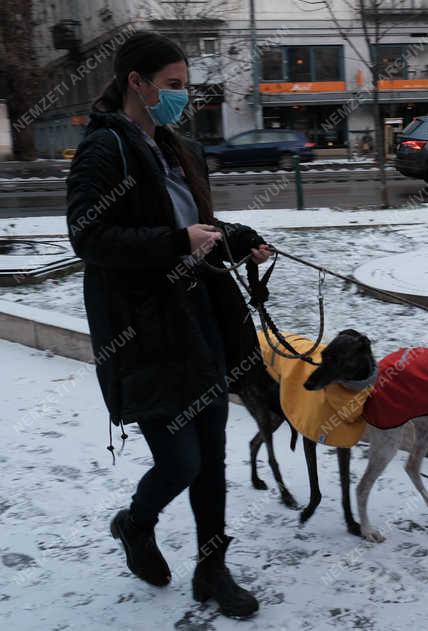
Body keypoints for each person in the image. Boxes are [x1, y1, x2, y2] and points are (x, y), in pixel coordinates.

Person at [66, 31, 272, 619]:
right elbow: (89, 236)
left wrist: (238, 240)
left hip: (200, 318)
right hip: (147, 330)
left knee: (212, 452)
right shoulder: (105, 149)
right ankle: (136, 523)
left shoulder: (178, 146)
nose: (183, 97)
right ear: (137, 82)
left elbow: (195, 227)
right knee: (181, 460)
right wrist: (175, 242)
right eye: (173, 86)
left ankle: (212, 568)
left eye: (185, 86)